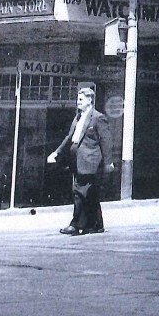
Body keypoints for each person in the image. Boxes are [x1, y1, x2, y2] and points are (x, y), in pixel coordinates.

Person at [48, 86, 115, 236]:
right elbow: (69, 137)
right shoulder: (78, 117)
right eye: (78, 99)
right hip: (77, 161)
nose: (77, 102)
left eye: (80, 99)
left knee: (80, 192)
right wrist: (56, 152)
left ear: (89, 100)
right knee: (88, 194)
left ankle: (76, 224)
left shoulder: (98, 118)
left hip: (90, 161)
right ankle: (95, 225)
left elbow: (106, 140)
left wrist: (108, 162)